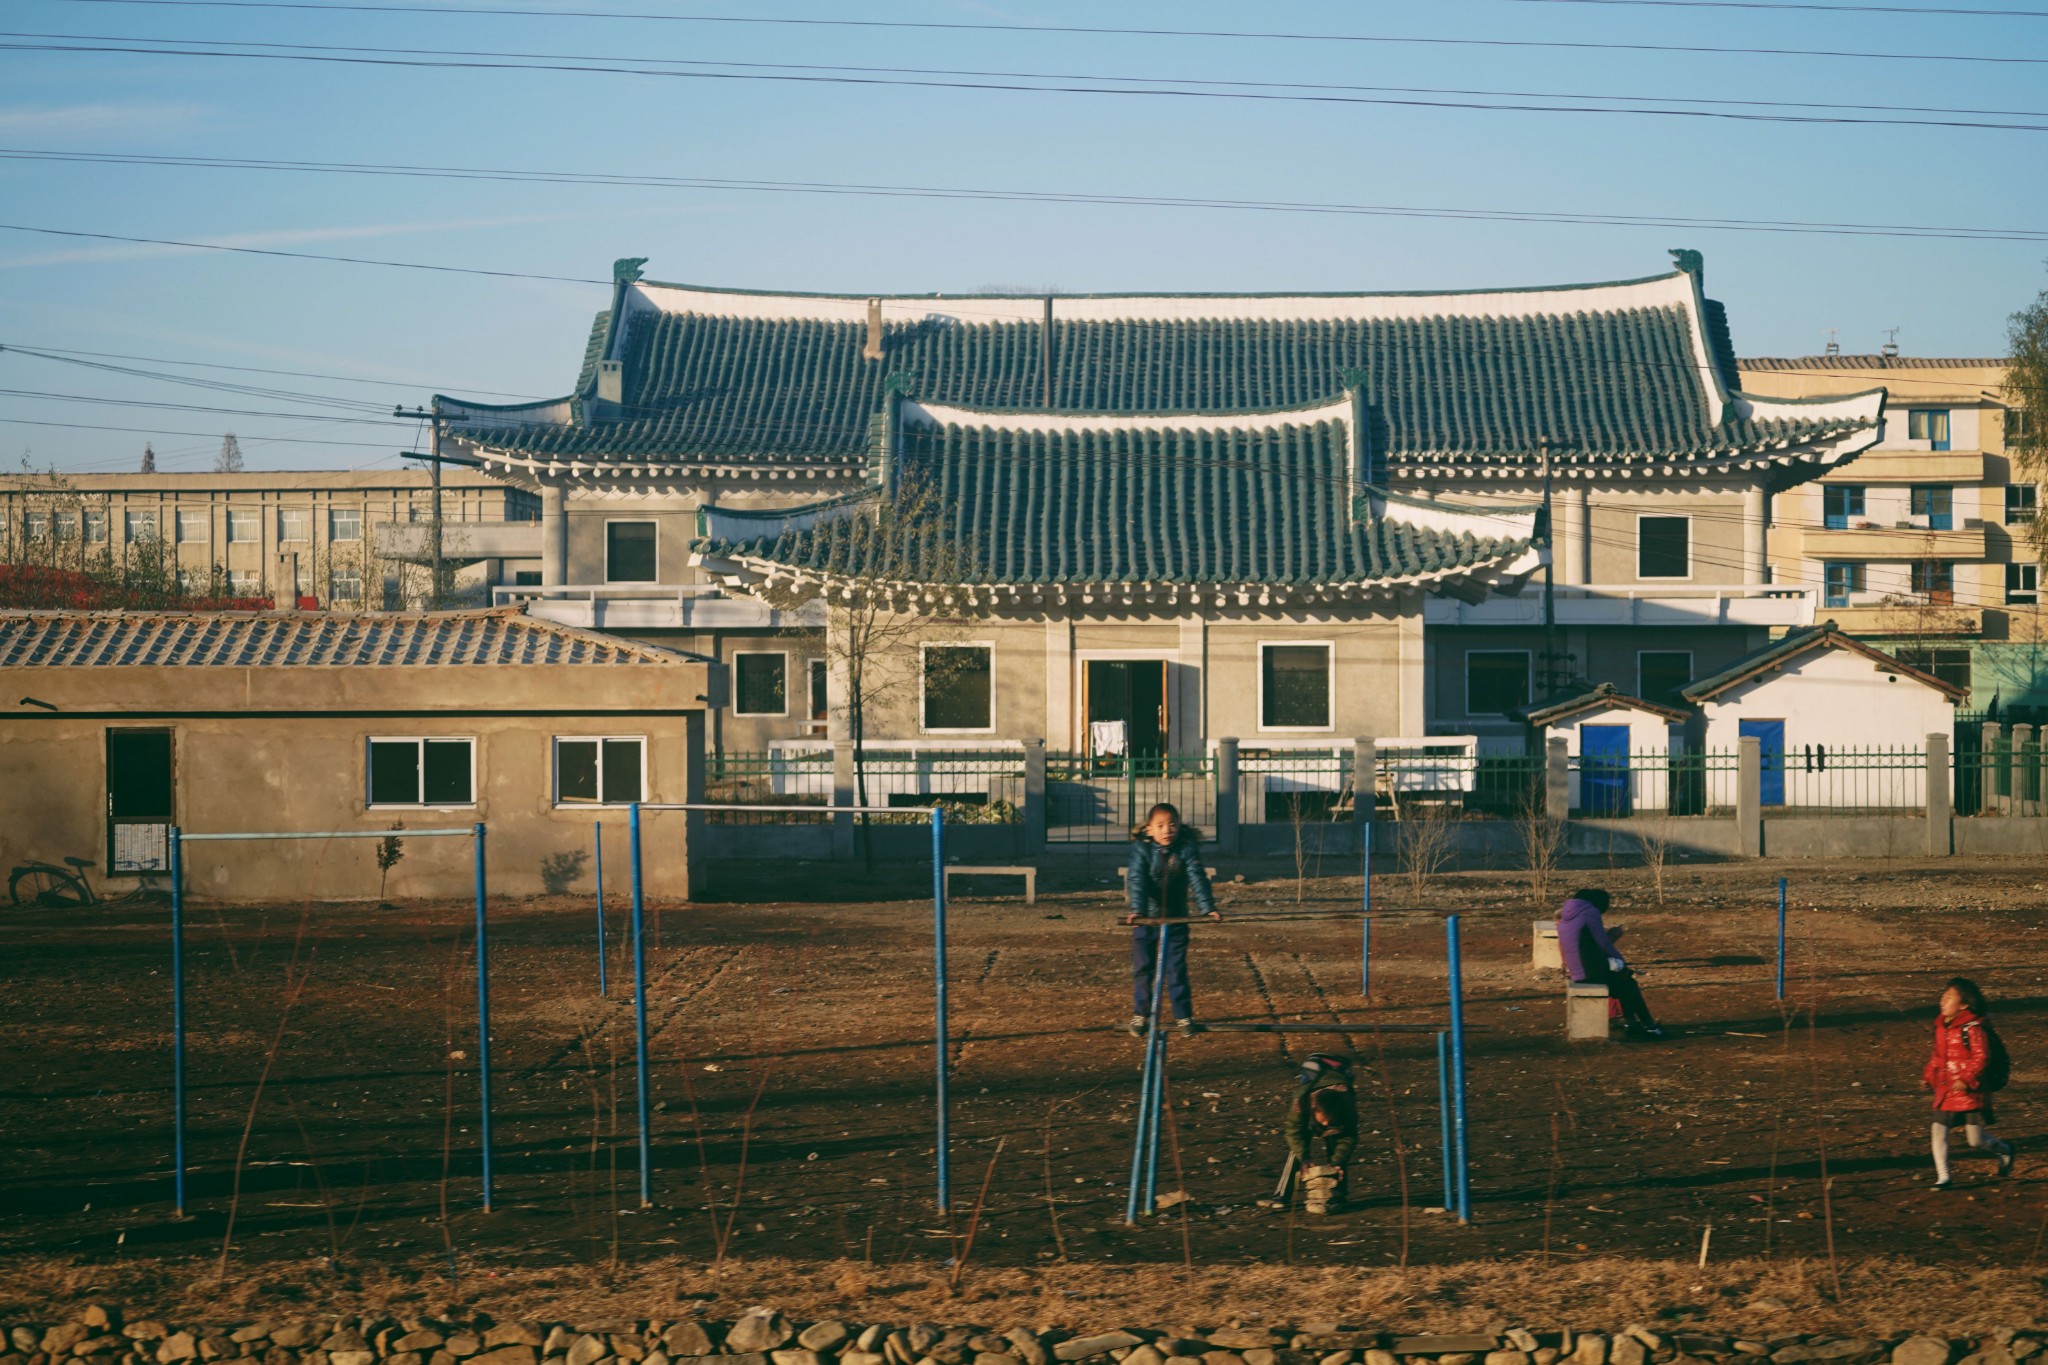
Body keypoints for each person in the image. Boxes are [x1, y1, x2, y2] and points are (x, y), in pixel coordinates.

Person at [1123, 801, 1220, 1037]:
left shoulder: (1186, 848)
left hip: (1176, 917)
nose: (1167, 830)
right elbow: (1137, 880)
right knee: (1144, 968)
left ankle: (1183, 1015)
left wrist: (1207, 909)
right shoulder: (1141, 849)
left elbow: (1197, 878)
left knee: (1175, 968)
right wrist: (1138, 910)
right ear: (1149, 829)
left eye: (1172, 825)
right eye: (1161, 825)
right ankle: (1141, 1014)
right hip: (1146, 919)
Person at [1922, 976, 2017, 1190]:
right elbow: (1937, 1056)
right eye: (1942, 996)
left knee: (1974, 1140)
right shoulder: (1941, 1027)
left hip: (1971, 1092)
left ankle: (2004, 1150)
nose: (1942, 1001)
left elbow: (1982, 1057)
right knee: (1938, 1130)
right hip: (1946, 1089)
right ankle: (1944, 1176)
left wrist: (1966, 1079)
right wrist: (1929, 1075)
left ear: (1963, 1004)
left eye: (1949, 998)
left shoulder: (1973, 1028)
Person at [1556, 887, 1665, 1039]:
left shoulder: (1566, 917)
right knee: (1629, 985)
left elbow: (1585, 946)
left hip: (1578, 971)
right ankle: (1648, 1027)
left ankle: (1634, 1024)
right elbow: (1604, 944)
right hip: (1589, 973)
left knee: (1625, 984)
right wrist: (1621, 963)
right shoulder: (1590, 912)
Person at [1285, 1053, 1359, 1213]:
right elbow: (1293, 1133)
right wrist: (1304, 1157)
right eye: (1323, 1120)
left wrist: (1337, 1162)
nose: (1325, 1124)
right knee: (1296, 1150)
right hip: (1315, 1072)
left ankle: (1338, 1195)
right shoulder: (1300, 1103)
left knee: (1336, 1145)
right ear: (1314, 1109)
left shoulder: (1347, 1106)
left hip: (1340, 1081)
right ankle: (1283, 1195)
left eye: (1329, 1121)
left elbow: (1349, 1137)